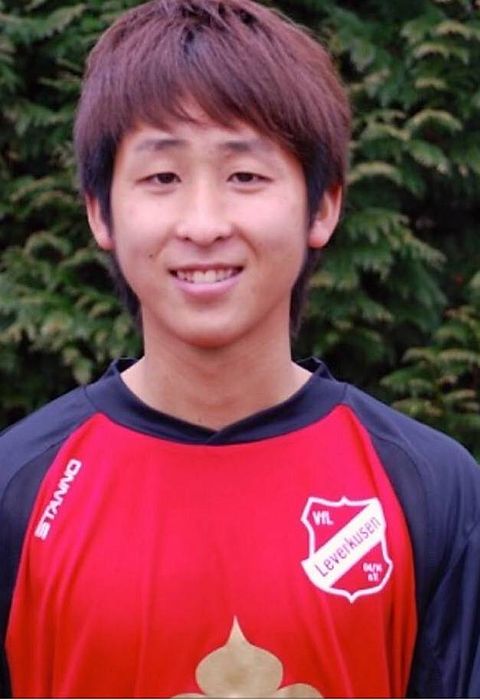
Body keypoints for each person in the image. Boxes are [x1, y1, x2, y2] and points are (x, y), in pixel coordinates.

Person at [1, 0, 479, 696]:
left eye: (245, 176)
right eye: (162, 178)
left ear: (322, 206)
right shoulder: (17, 488)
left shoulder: (431, 486)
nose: (203, 224)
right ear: (101, 211)